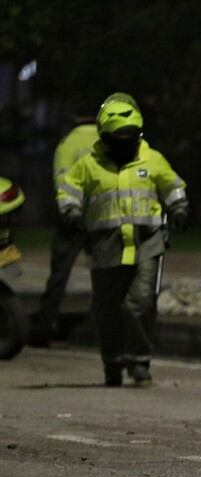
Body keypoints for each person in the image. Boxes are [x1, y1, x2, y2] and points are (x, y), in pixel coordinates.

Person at [56, 93, 189, 386]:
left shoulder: (152, 159)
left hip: (148, 242)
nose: (124, 142)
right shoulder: (89, 164)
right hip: (106, 245)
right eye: (118, 137)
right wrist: (71, 211)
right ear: (104, 136)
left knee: (141, 302)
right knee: (107, 307)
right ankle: (113, 362)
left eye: (130, 136)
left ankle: (140, 361)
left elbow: (172, 185)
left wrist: (178, 206)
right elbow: (69, 190)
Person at [29, 106, 99, 346]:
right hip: (104, 216)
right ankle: (105, 324)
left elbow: (62, 180)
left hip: (74, 217)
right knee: (107, 271)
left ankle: (45, 327)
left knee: (59, 274)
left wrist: (69, 210)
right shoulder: (108, 142)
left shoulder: (68, 144)